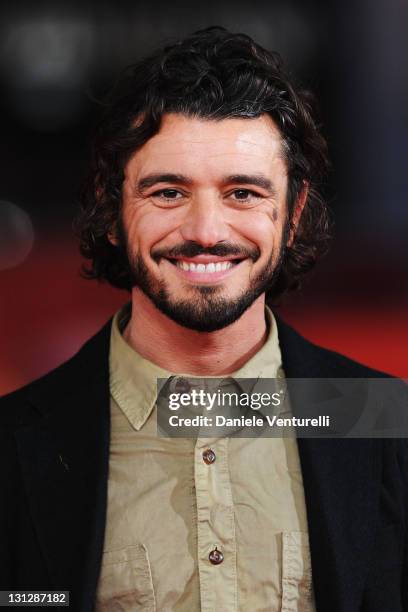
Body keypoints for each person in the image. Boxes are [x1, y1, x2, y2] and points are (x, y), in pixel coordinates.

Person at [0, 27, 407, 612]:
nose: (206, 232)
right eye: (168, 192)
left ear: (292, 214)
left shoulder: (385, 426)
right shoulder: (16, 445)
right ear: (111, 209)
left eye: (243, 193)